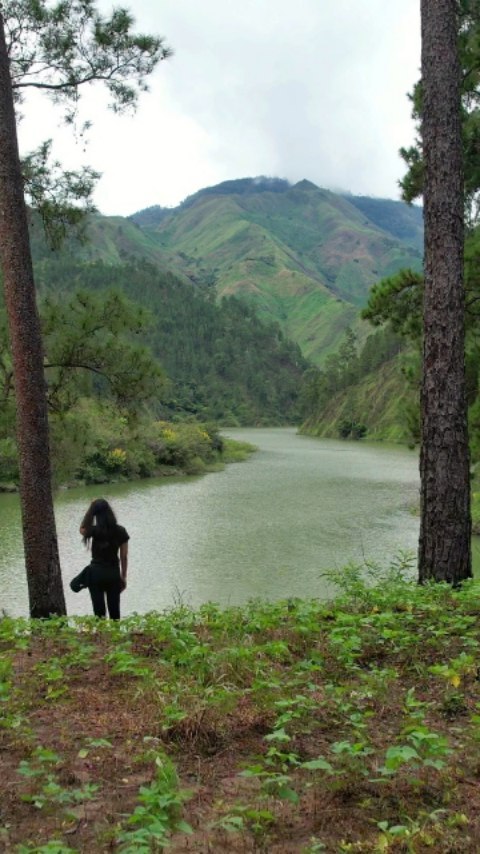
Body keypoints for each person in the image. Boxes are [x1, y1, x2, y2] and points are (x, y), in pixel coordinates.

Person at [79, 498, 129, 620]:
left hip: (95, 573)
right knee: (115, 611)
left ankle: (100, 637)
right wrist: (123, 576)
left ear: (95, 514)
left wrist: (91, 508)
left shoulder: (93, 530)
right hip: (113, 573)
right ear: (110, 512)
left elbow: (82, 528)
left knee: (99, 612)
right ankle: (116, 636)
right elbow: (124, 557)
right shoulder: (120, 531)